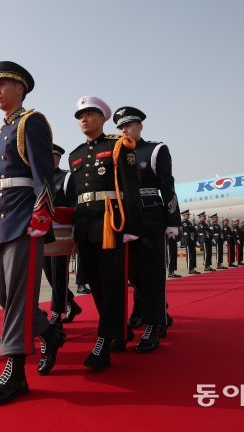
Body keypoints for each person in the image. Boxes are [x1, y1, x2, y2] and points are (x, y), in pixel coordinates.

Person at [0, 61, 64, 406]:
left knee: (18, 298)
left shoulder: (32, 122)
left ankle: (15, 372)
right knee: (5, 295)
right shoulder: (0, 132)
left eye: (2, 84)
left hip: (22, 216)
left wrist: (41, 215)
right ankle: (49, 332)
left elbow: (44, 173)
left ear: (20, 87)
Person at [67, 96, 141, 367]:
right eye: (80, 116)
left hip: (111, 224)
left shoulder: (118, 146)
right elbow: (75, 196)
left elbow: (131, 190)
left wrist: (131, 227)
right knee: (95, 283)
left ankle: (103, 339)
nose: (84, 119)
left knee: (112, 283)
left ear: (103, 118)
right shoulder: (74, 155)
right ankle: (118, 330)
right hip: (85, 224)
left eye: (89, 114)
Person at [114, 105, 179, 352]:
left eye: (128, 125)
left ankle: (154, 324)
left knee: (152, 273)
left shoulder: (155, 150)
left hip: (151, 217)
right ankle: (149, 309)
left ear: (140, 126)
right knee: (133, 272)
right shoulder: (117, 153)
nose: (124, 130)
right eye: (120, 127)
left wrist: (173, 220)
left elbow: (167, 186)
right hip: (126, 219)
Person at [42, 144, 82, 330]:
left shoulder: (66, 177)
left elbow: (76, 205)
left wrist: (75, 234)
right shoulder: (39, 179)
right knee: (49, 274)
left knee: (59, 274)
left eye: (53, 157)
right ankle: (71, 303)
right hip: (43, 232)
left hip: (61, 234)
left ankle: (56, 313)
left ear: (58, 158)